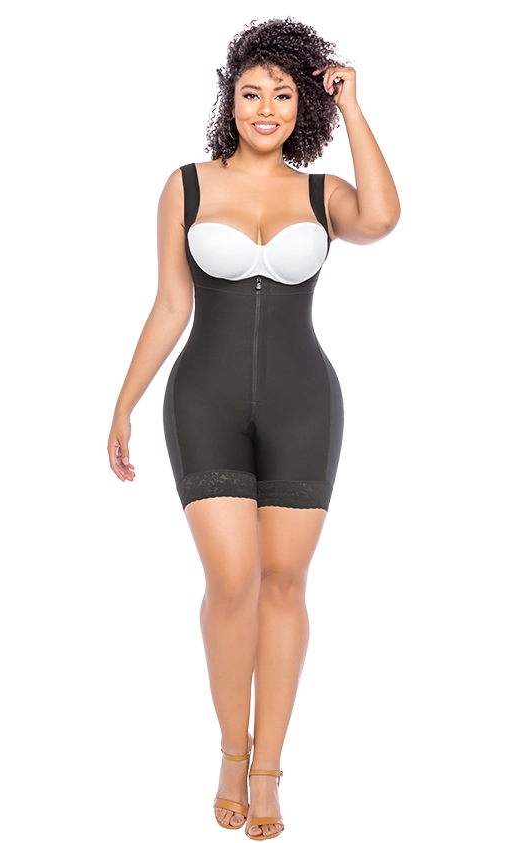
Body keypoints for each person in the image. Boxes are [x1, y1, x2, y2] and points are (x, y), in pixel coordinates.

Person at [107, 15, 401, 842]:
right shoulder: (188, 185)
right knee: (232, 576)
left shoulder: (319, 192)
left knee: (282, 580)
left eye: (282, 94)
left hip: (303, 404)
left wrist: (352, 109)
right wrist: (125, 403)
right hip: (206, 401)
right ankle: (231, 756)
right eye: (250, 93)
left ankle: (267, 768)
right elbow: (173, 304)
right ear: (228, 102)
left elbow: (380, 217)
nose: (265, 108)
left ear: (301, 106)